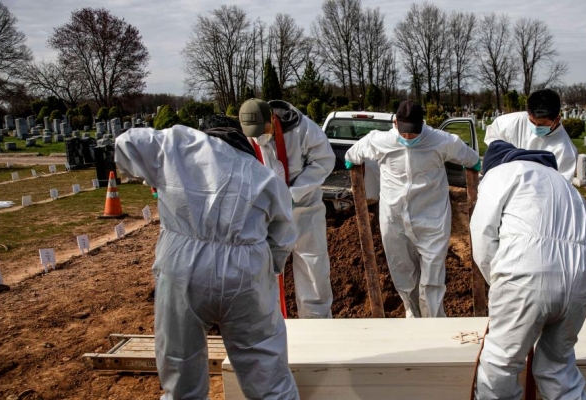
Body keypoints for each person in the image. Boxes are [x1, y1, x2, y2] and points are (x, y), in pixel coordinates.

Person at [115, 115, 299, 399]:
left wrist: (147, 171)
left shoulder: (179, 145)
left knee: (181, 361)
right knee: (264, 364)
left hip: (182, 266)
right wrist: (266, 271)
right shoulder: (264, 176)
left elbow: (126, 144)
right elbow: (283, 237)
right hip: (246, 271)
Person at [470, 140, 586, 400]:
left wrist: (498, 283)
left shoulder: (499, 173)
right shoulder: (562, 182)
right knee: (558, 363)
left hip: (528, 268)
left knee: (501, 360)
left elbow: (483, 234)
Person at [344, 101, 481, 318]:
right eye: (404, 132)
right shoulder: (379, 140)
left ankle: (433, 321)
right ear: (395, 124)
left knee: (433, 275)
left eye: (414, 133)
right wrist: (352, 163)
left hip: (432, 217)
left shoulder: (440, 141)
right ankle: (412, 314)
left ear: (422, 124)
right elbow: (353, 154)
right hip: (394, 217)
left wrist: (474, 166)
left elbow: (471, 158)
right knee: (402, 270)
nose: (408, 137)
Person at [240, 99, 336, 319]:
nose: (259, 137)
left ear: (272, 118)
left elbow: (324, 160)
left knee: (312, 266)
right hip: (268, 213)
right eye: (253, 134)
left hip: (305, 209)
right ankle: (271, 324)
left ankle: (316, 323)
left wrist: (293, 194)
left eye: (262, 130)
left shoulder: (302, 129)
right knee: (266, 267)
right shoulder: (247, 136)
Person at [484, 88, 578, 181]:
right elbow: (493, 151)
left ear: (556, 119)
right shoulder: (507, 124)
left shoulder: (565, 151)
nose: (536, 127)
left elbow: (560, 183)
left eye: (542, 124)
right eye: (532, 122)